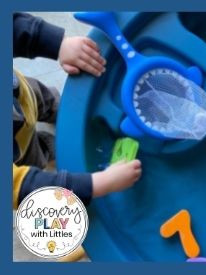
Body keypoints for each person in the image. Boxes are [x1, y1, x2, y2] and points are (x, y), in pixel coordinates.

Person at [13, 12, 141, 210]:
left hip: (21, 92)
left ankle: (55, 108)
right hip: (18, 150)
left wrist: (58, 43)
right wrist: (99, 183)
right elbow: (22, 188)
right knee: (37, 155)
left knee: (42, 97)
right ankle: (49, 147)